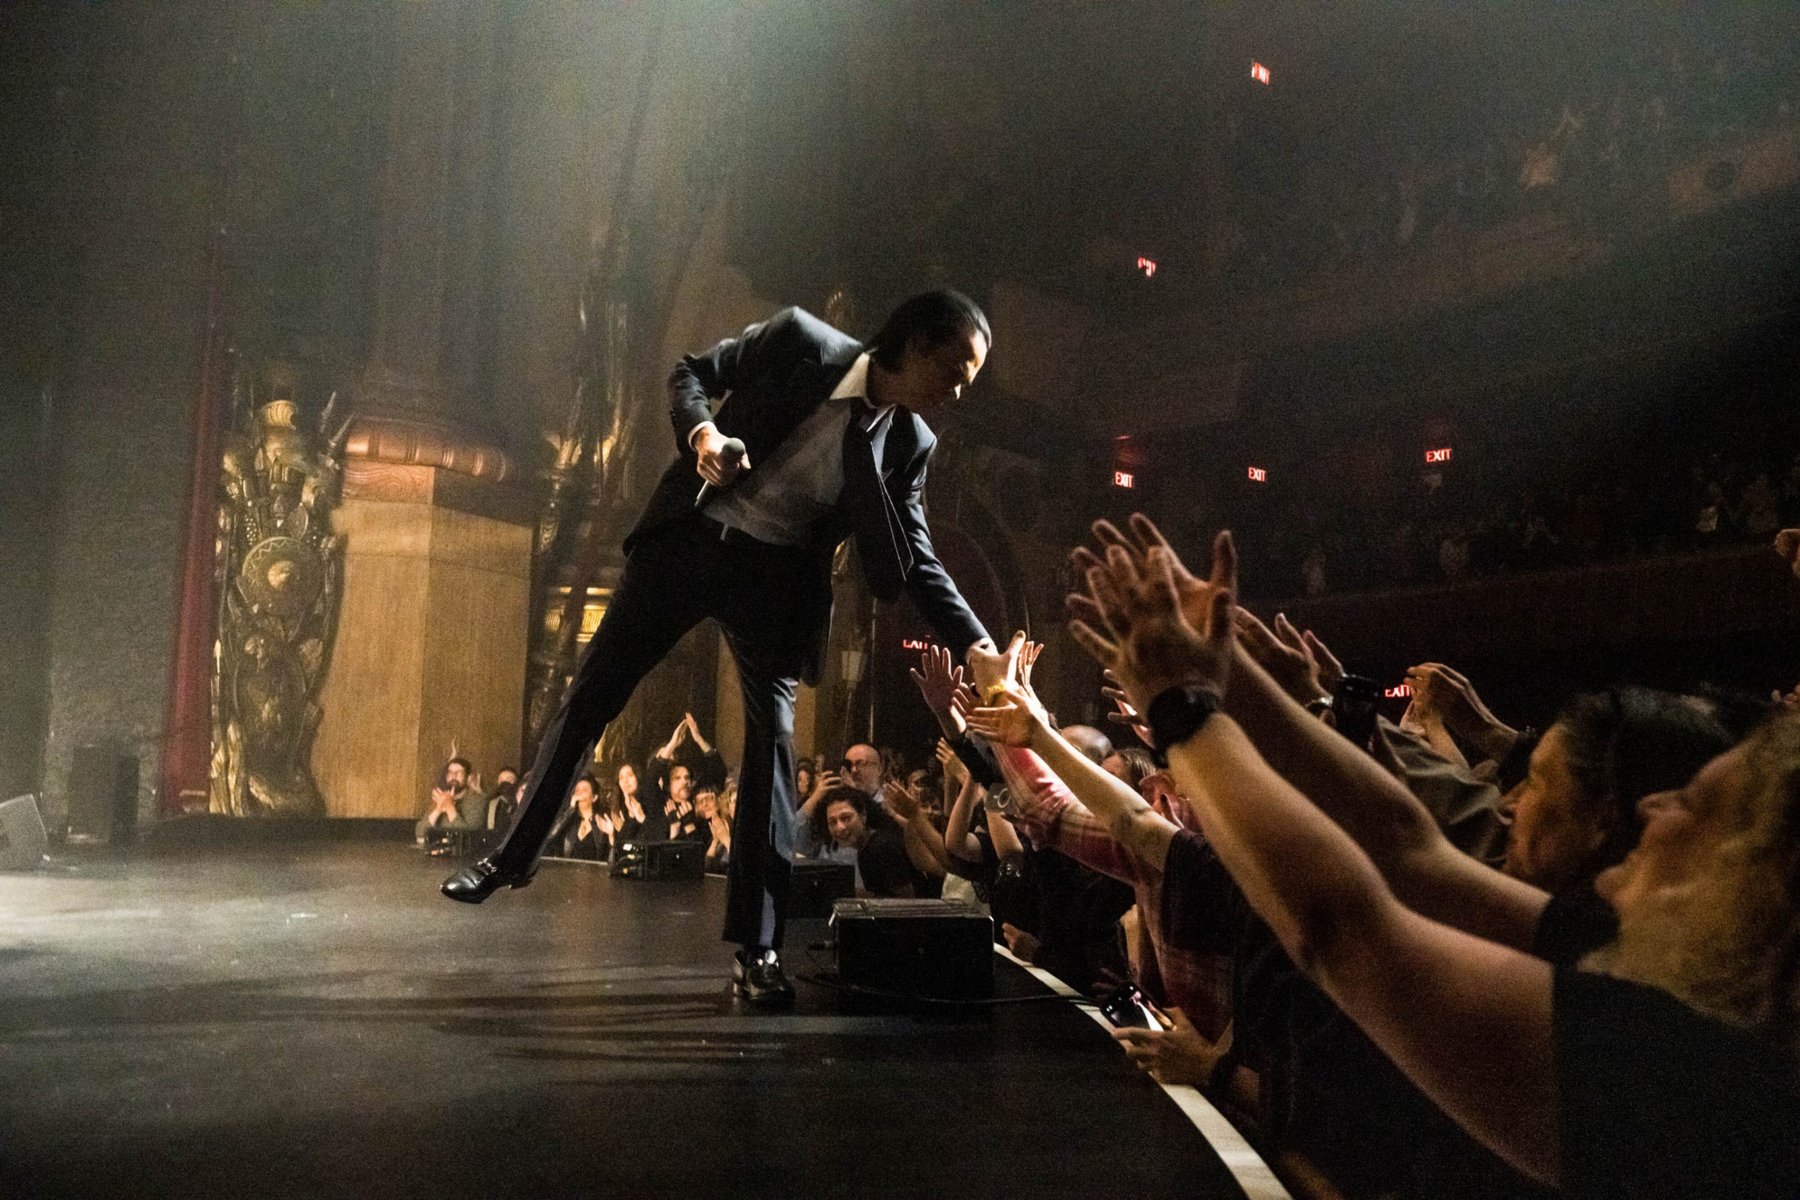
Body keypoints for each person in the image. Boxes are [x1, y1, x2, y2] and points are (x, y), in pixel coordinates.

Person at [1069, 514, 1800, 1197]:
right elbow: (1405, 848)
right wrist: (1221, 671)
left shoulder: (1696, 1071)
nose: (1653, 807)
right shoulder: (1627, 953)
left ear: (1764, 876)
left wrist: (1182, 710)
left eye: (1693, 804)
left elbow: (1344, 929)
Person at [443, 292, 1002, 1007]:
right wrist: (703, 436)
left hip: (775, 582)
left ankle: (759, 949)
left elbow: (917, 561)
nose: (958, 393)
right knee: (593, 695)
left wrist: (979, 647)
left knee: (774, 747)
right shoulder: (802, 341)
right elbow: (690, 372)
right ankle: (510, 857)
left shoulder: (910, 444)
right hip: (691, 543)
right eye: (955, 371)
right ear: (914, 343)